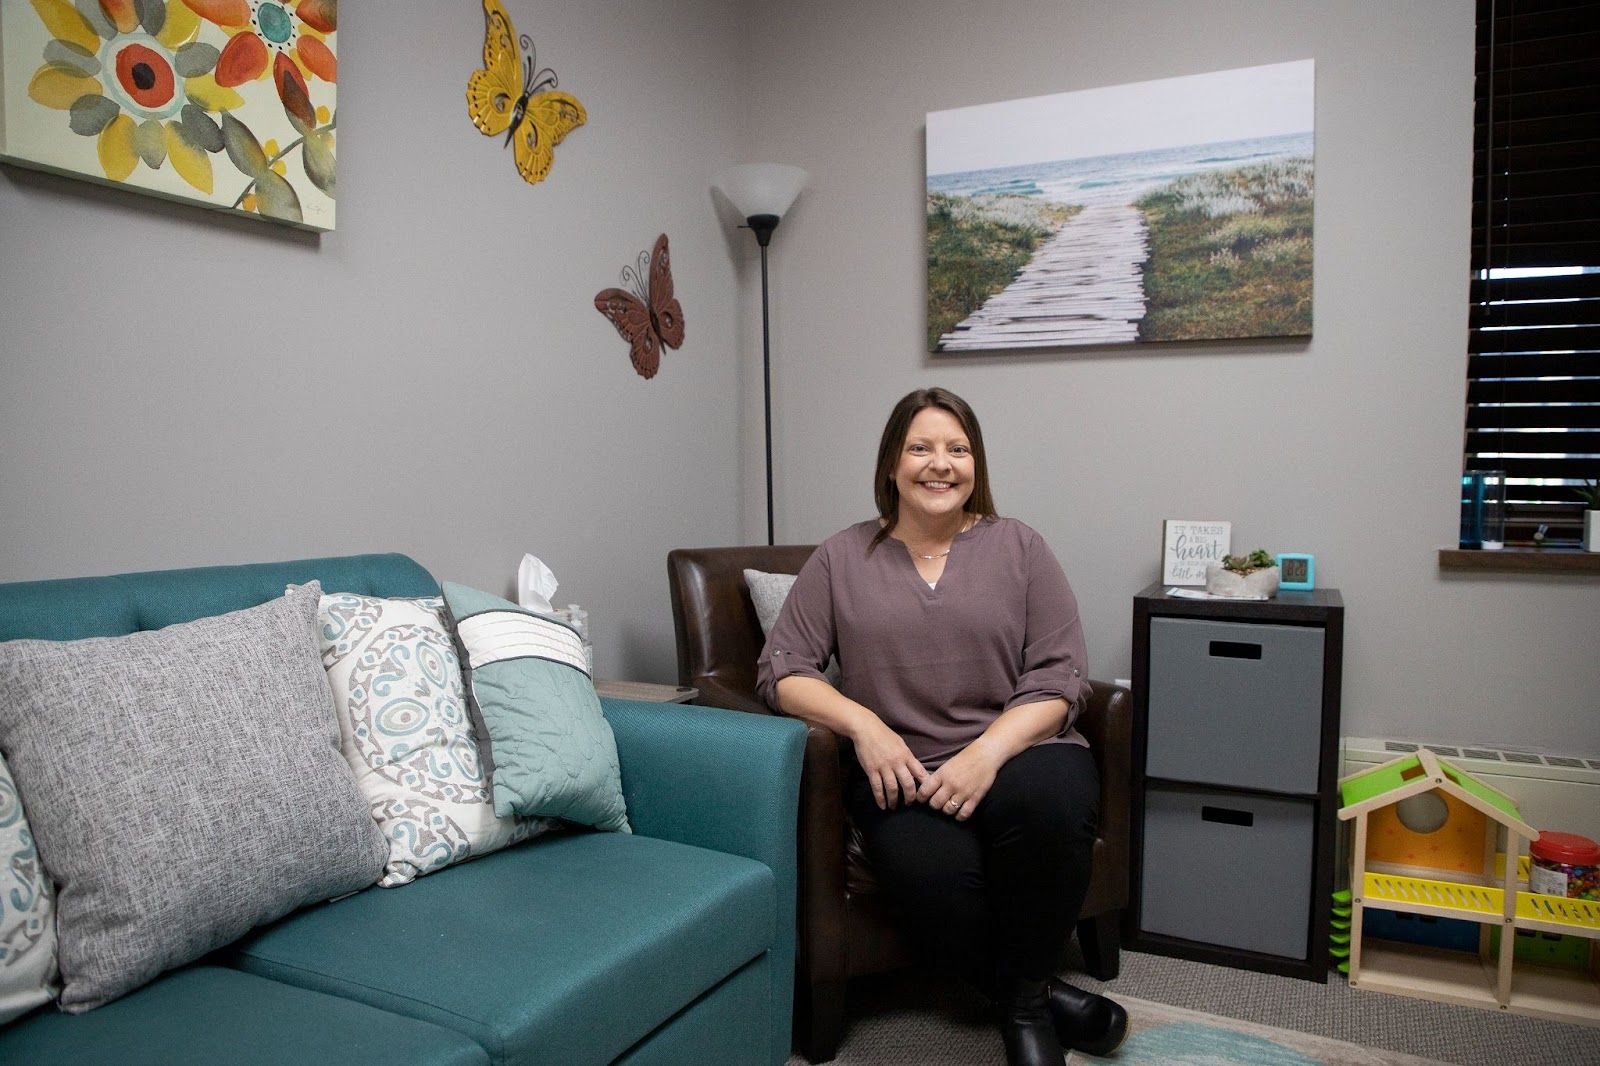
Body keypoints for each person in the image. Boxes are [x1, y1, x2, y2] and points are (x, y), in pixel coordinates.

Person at [756, 387, 1127, 1066]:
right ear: (892, 465)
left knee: (1056, 804)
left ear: (976, 465)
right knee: (931, 882)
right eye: (921, 447)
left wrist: (988, 753)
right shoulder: (842, 558)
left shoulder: (1020, 546)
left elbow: (1060, 678)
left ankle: (1024, 1016)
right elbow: (783, 672)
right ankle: (1045, 995)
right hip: (903, 770)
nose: (941, 464)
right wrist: (864, 726)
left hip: (1019, 749)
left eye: (957, 449)